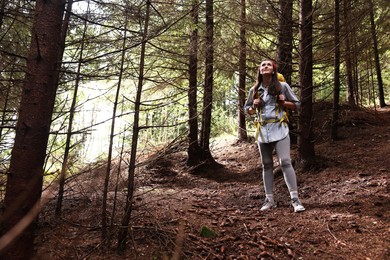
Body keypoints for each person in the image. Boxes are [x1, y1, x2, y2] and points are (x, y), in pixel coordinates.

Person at [245, 59, 305, 213]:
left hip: (280, 127)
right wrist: (253, 106)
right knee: (266, 164)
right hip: (263, 130)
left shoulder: (282, 86)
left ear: (273, 70)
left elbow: (297, 104)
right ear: (259, 70)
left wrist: (284, 103)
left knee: (285, 161)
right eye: (262, 65)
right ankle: (269, 200)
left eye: (268, 65)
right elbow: (247, 109)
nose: (265, 67)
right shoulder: (255, 89)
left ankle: (295, 200)